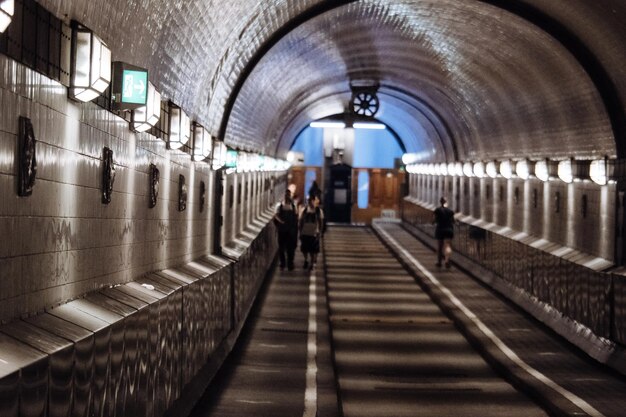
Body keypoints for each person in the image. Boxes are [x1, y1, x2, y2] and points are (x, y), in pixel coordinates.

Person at [274, 189, 299, 271]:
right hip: (282, 230)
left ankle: (290, 263)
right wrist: (281, 221)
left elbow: (296, 216)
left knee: (290, 248)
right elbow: (276, 215)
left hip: (291, 230)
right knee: (281, 247)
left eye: (288, 195)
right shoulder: (279, 205)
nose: (287, 196)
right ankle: (283, 263)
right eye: (286, 195)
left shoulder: (293, 205)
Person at [299, 195, 324, 270]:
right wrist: (300, 231)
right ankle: (306, 260)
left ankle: (312, 263)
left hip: (314, 232)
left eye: (312, 201)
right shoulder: (304, 210)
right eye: (309, 201)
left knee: (313, 249)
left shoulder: (319, 211)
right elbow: (301, 221)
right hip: (305, 231)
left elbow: (321, 222)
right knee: (304, 248)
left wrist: (320, 231)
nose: (310, 203)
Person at [433, 196, 455, 268]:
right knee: (448, 245)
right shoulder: (450, 211)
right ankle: (447, 260)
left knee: (440, 246)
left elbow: (434, 220)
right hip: (449, 230)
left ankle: (439, 262)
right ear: (446, 202)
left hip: (440, 229)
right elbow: (453, 221)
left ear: (440, 202)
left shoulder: (437, 210)